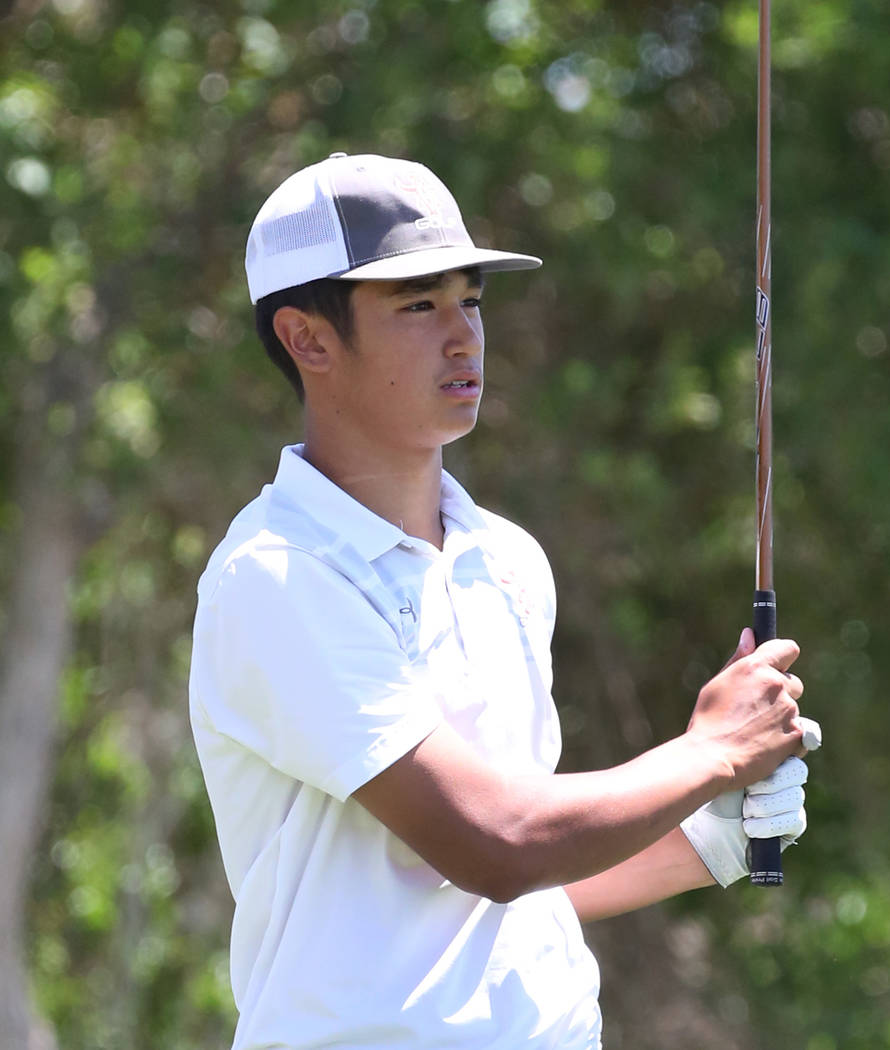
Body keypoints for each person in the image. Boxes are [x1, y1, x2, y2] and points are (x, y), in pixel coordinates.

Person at [188, 152, 820, 1050]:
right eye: (417, 304)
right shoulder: (277, 577)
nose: (462, 336)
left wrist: (699, 841)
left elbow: (509, 893)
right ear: (308, 339)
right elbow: (495, 844)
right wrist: (708, 753)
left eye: (471, 300)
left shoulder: (506, 558)